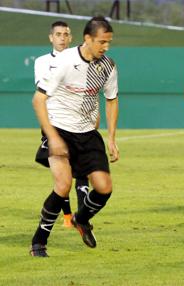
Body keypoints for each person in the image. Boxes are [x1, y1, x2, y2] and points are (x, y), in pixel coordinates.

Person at [29, 16, 119, 257]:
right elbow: (38, 101)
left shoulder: (108, 66)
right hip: (59, 128)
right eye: (102, 42)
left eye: (109, 42)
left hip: (87, 132)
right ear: (87, 39)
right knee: (63, 185)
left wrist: (111, 138)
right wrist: (52, 137)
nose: (106, 47)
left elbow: (111, 100)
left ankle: (81, 218)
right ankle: (39, 241)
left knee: (104, 188)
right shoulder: (65, 61)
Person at [34, 21, 91, 228]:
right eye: (58, 34)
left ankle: (82, 218)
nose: (62, 38)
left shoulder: (83, 60)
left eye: (65, 34)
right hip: (55, 122)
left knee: (82, 169)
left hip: (80, 121)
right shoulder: (42, 62)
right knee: (63, 174)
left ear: (71, 37)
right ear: (51, 37)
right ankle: (68, 217)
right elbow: (47, 91)